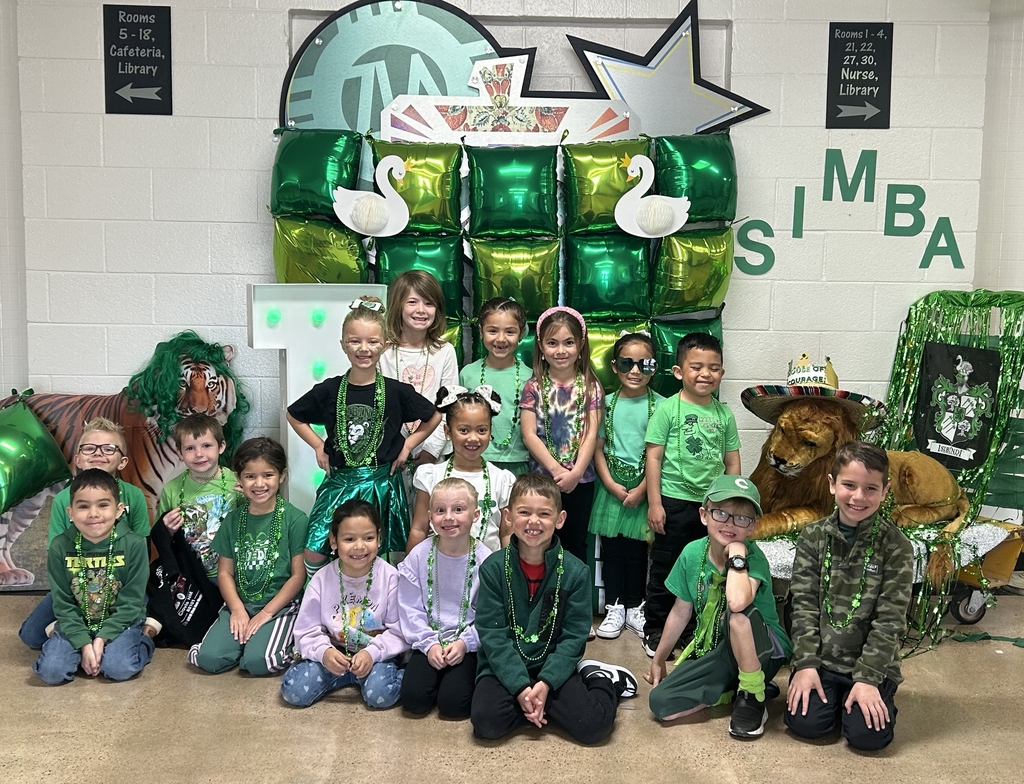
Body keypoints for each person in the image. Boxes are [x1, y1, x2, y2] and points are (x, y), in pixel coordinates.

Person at [471, 473, 637, 745]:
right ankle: (538, 705)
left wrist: (546, 683)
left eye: (544, 514)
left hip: (553, 666)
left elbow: (574, 636)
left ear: (559, 519)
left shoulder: (575, 572)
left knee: (592, 728)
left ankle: (600, 679)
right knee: (486, 723)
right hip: (505, 667)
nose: (533, 522)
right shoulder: (493, 568)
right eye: (524, 512)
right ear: (508, 516)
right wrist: (521, 688)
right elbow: (492, 635)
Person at [287, 297, 440, 576]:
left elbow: (434, 415)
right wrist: (318, 445)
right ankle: (324, 595)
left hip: (382, 484)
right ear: (343, 344)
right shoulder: (330, 389)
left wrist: (408, 445)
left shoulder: (396, 391)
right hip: (340, 481)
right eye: (355, 341)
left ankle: (377, 604)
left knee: (381, 551)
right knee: (314, 547)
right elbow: (294, 415)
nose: (364, 348)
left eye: (372, 341)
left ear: (384, 344)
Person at [784, 441, 913, 751]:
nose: (858, 497)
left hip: (870, 664)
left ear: (885, 491)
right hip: (822, 661)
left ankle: (869, 694)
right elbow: (802, 605)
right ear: (832, 485)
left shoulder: (896, 546)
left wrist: (869, 679)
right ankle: (836, 695)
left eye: (871, 488)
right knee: (806, 725)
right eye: (849, 485)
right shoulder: (813, 537)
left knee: (869, 738)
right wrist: (805, 664)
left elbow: (890, 620)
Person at [646, 474, 791, 739]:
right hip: (718, 648)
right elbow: (681, 611)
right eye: (721, 513)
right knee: (661, 704)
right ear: (704, 515)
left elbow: (738, 602)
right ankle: (738, 686)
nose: (730, 524)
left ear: (753, 527)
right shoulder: (692, 553)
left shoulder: (754, 558)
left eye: (741, 518)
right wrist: (659, 658)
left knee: (736, 616)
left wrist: (737, 553)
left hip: (765, 649)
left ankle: (753, 696)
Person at [644, 333, 740, 658]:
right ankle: (656, 629)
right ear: (678, 371)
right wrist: (655, 504)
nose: (705, 374)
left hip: (711, 508)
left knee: (704, 568)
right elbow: (653, 457)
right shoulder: (667, 409)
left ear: (722, 374)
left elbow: (732, 461)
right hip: (672, 503)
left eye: (713, 368)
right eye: (696, 367)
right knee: (666, 568)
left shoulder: (724, 415)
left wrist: (731, 504)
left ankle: (693, 630)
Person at [20, 417, 152, 649]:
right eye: (89, 447)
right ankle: (76, 632)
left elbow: (142, 542)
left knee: (127, 618)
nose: (98, 453)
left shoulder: (134, 495)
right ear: (78, 459)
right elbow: (57, 551)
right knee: (31, 636)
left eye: (109, 448)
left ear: (122, 462)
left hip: (118, 582)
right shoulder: (63, 500)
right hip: (77, 581)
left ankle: (129, 630)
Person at [189, 437, 307, 675]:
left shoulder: (295, 519)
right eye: (250, 476)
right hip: (241, 604)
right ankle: (243, 643)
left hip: (280, 607)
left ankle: (287, 644)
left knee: (259, 663)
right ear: (239, 478)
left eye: (268, 475)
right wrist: (237, 610)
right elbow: (224, 572)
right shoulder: (233, 520)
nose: (259, 483)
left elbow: (298, 576)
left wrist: (265, 613)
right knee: (208, 659)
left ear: (282, 475)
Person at [281, 499, 407, 709]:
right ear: (334, 541)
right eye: (349, 539)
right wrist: (324, 653)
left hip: (376, 657)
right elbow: (305, 630)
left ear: (379, 538)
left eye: (368, 538)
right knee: (293, 691)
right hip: (334, 654)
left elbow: (400, 631)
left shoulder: (391, 578)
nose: (359, 546)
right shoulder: (321, 579)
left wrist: (371, 653)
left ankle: (403, 674)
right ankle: (339, 675)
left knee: (380, 695)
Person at [33, 469, 154, 684]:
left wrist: (100, 640)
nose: (93, 513)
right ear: (70, 513)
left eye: (103, 505)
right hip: (78, 619)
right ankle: (69, 644)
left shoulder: (134, 544)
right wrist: (83, 643)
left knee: (119, 668)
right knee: (51, 673)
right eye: (83, 506)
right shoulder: (60, 546)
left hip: (121, 620)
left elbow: (131, 602)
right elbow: (62, 603)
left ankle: (145, 637)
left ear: (118, 510)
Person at [398, 478, 492, 718]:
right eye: (440, 510)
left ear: (476, 514)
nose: (448, 517)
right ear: (430, 516)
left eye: (458, 509)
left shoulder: (486, 561)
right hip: (429, 640)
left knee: (454, 706)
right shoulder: (419, 556)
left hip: (466, 644)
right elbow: (410, 608)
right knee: (414, 701)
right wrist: (429, 645)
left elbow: (489, 616)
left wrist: (465, 643)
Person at [591, 332, 663, 641]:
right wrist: (609, 483)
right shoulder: (604, 404)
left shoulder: (661, 406)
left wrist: (644, 489)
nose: (635, 371)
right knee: (613, 550)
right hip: (611, 487)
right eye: (627, 363)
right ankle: (614, 605)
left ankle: (635, 604)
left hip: (644, 488)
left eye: (643, 364)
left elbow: (662, 453)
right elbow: (596, 447)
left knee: (637, 551)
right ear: (614, 366)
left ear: (654, 367)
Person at [519, 306, 602, 567]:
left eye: (568, 343)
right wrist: (556, 470)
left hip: (581, 480)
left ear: (580, 345)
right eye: (552, 343)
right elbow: (529, 434)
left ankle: (571, 603)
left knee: (575, 542)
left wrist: (575, 473)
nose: (561, 350)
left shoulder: (591, 386)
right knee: (540, 543)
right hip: (543, 480)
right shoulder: (533, 386)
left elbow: (590, 435)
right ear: (541, 347)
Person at [407, 386, 515, 553]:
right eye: (464, 430)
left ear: (490, 432)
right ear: (448, 432)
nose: (473, 438)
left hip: (487, 574)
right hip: (439, 571)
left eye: (481, 430)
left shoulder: (501, 479)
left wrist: (509, 575)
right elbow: (419, 529)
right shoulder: (431, 476)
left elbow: (507, 533)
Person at [378, 270, 459, 468]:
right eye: (412, 302)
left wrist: (431, 451)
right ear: (398, 306)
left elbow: (448, 406)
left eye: (429, 303)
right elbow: (379, 408)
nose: (421, 310)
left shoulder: (445, 352)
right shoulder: (383, 353)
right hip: (390, 456)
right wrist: (394, 447)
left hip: (434, 455)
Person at [157, 413, 239, 581]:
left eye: (207, 445)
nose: (199, 454)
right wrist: (169, 531)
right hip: (192, 577)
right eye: (190, 448)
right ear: (179, 453)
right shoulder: (171, 489)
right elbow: (162, 542)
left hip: (234, 574)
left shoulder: (237, 483)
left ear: (221, 446)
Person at [459, 296, 531, 475]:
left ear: (521, 333)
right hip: (474, 462)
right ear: (481, 331)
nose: (501, 339)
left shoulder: (531, 377)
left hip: (520, 463)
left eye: (510, 332)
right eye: (492, 331)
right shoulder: (468, 374)